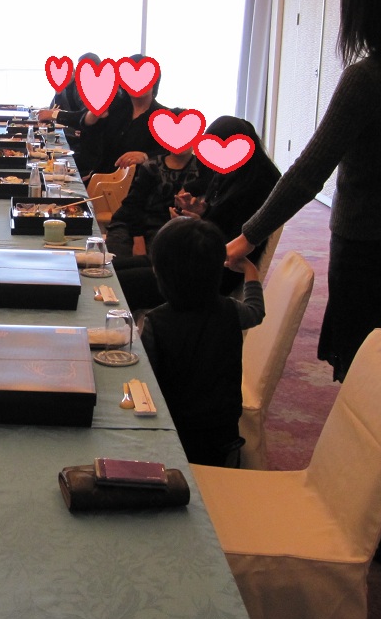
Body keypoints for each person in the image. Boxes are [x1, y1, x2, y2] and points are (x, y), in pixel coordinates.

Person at [225, 0, 381, 570]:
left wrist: (246, 236)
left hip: (367, 252)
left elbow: (307, 172)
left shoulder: (369, 78)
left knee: (366, 390)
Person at [115, 115, 279, 311]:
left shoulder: (257, 187)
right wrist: (199, 215)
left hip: (209, 275)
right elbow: (222, 222)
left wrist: (199, 223)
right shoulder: (235, 174)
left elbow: (235, 245)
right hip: (193, 257)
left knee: (117, 283)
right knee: (108, 269)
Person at [140, 217, 265, 467]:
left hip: (172, 434)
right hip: (222, 436)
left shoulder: (155, 322)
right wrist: (250, 270)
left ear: (159, 272)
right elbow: (256, 311)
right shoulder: (231, 310)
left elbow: (145, 380)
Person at [104, 142, 206, 261]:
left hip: (166, 229)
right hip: (131, 223)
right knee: (116, 260)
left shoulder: (203, 168)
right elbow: (133, 205)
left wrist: (190, 188)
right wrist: (138, 240)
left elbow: (211, 180)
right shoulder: (151, 165)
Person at [76, 53, 167, 179]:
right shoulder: (116, 109)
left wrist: (145, 156)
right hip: (101, 179)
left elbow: (170, 155)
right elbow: (89, 132)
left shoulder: (162, 117)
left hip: (135, 185)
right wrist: (93, 115)